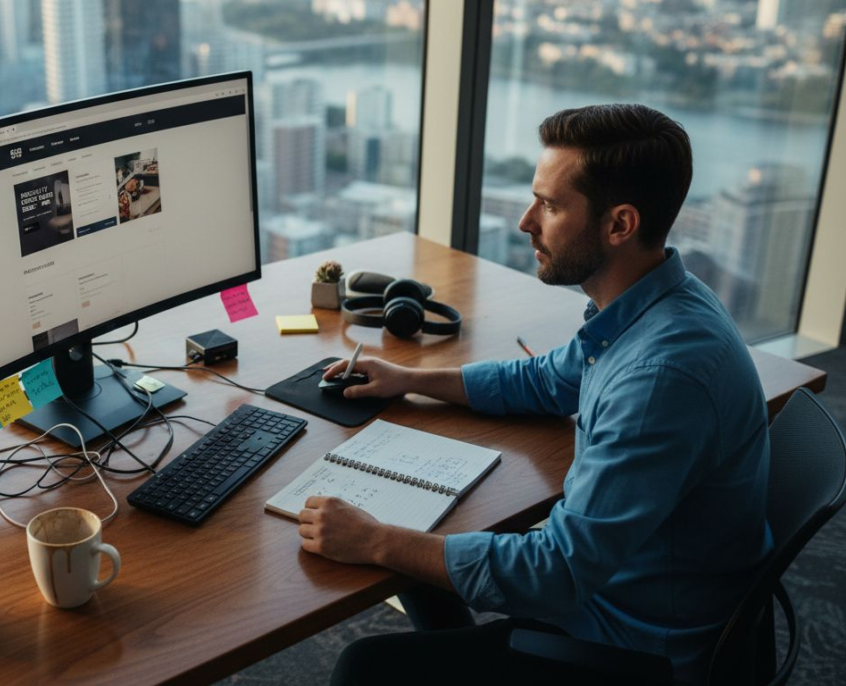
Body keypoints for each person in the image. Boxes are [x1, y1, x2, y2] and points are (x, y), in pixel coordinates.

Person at [308, 104, 772, 685]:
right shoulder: (658, 300)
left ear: (619, 224)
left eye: (550, 206)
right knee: (425, 560)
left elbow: (556, 573)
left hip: (632, 647)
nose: (526, 221)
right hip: (634, 586)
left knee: (364, 668)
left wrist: (376, 540)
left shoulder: (660, 377)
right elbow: (549, 378)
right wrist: (411, 380)